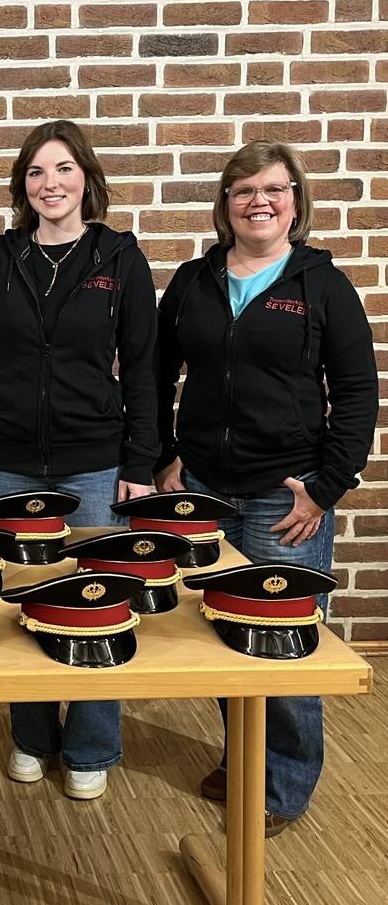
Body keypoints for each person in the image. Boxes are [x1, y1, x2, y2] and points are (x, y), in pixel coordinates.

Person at [155, 140, 378, 836]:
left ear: (295, 201)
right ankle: (245, 753)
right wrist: (165, 458)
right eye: (244, 189)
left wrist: (326, 487)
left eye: (274, 189)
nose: (259, 201)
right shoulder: (193, 282)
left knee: (282, 642)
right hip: (204, 493)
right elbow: (155, 377)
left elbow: (358, 392)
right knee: (227, 634)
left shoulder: (321, 285)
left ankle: (283, 785)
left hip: (283, 498)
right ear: (225, 204)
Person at [0, 119, 159, 800]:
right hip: (10, 460)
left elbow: (146, 369)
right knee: (26, 600)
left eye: (64, 169)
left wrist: (140, 462)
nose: (52, 183)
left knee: (96, 601)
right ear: (24, 187)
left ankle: (92, 745)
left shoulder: (119, 258)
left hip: (95, 463)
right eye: (38, 172)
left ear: (86, 180)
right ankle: (31, 737)